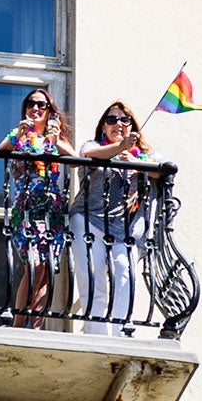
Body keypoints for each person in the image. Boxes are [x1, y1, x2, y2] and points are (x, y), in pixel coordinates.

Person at [0, 88, 75, 328]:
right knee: (33, 263)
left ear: (50, 111)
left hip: (52, 209)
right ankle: (19, 324)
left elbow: (74, 158)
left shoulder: (55, 138)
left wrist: (56, 139)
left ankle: (36, 326)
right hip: (26, 208)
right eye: (31, 104)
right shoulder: (18, 136)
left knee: (46, 266)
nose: (35, 108)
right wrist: (19, 135)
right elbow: (0, 152)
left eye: (41, 105)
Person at [72, 100, 155, 336]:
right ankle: (97, 335)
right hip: (90, 220)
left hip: (125, 228)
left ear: (132, 126)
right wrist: (119, 148)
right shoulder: (94, 144)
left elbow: (163, 170)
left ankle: (120, 334)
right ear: (103, 127)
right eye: (111, 120)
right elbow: (90, 154)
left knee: (125, 273)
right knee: (92, 276)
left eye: (124, 120)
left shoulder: (144, 155)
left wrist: (137, 163)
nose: (118, 123)